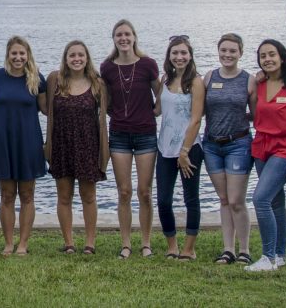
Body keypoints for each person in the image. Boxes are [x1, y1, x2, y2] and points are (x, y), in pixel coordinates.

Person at [245, 39, 286, 272]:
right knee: (275, 201)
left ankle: (268, 257)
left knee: (260, 199)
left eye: (272, 54)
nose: (267, 59)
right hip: (262, 146)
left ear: (282, 57)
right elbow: (253, 114)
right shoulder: (260, 85)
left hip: (285, 149)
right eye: (263, 56)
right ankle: (280, 254)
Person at [100, 19, 161, 259]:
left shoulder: (148, 65)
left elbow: (161, 96)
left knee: (144, 191)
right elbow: (105, 101)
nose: (123, 38)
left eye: (127, 34)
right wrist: (116, 115)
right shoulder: (107, 67)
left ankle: (146, 243)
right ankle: (126, 244)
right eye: (118, 35)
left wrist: (154, 112)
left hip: (146, 134)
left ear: (134, 37)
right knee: (124, 191)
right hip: (119, 135)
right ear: (114, 39)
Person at [44, 40, 108, 255]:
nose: (77, 59)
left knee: (88, 195)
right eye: (72, 55)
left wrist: (103, 151)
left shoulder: (97, 83)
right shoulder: (55, 80)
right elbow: (42, 106)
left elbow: (105, 115)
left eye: (81, 55)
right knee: (64, 196)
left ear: (87, 58)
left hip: (88, 144)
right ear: (66, 58)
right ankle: (69, 243)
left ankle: (90, 243)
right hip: (61, 143)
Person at [0, 36, 47, 256]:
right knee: (6, 194)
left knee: (27, 194)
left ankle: (23, 243)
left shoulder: (36, 79)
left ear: (28, 55)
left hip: (29, 141)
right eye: (14, 53)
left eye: (22, 53)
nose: (18, 57)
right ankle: (8, 242)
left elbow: (46, 110)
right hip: (3, 140)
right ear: (7, 55)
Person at [202, 33, 256, 266]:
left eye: (232, 51)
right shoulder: (209, 77)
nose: (227, 54)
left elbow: (255, 114)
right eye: (224, 50)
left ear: (240, 53)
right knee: (223, 199)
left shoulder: (249, 80)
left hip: (239, 144)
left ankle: (244, 249)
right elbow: (200, 110)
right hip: (212, 145)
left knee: (236, 199)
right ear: (218, 51)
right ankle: (228, 250)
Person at [154, 35, 205, 261]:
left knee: (190, 198)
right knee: (164, 199)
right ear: (169, 56)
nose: (179, 57)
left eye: (183, 53)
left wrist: (184, 151)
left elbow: (196, 119)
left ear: (190, 55)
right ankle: (172, 245)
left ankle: (189, 248)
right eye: (175, 53)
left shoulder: (196, 82)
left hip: (189, 148)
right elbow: (156, 110)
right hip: (164, 148)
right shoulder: (165, 80)